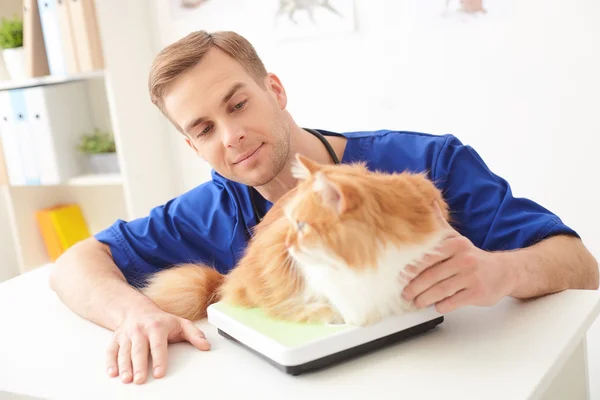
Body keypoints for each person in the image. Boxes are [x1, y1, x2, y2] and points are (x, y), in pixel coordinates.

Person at [49, 30, 598, 385]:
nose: (233, 135)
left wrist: (502, 270)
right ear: (193, 148)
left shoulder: (426, 162)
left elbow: (580, 266)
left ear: (276, 90)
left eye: (238, 103)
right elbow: (76, 262)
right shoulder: (212, 207)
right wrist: (135, 314)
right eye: (204, 129)